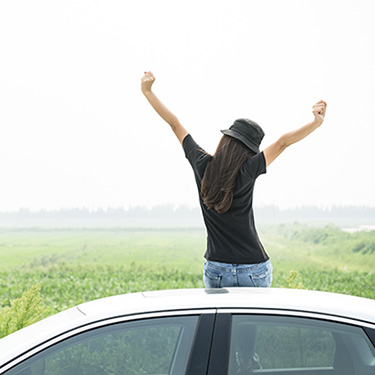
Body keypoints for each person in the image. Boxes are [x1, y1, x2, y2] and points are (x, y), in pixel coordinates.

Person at [141, 71, 327, 288]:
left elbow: (175, 124)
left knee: (219, 322)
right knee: (252, 323)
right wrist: (316, 123)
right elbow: (282, 143)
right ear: (249, 152)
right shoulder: (248, 169)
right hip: (254, 267)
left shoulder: (202, 164)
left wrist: (147, 91)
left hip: (217, 268)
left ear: (226, 139)